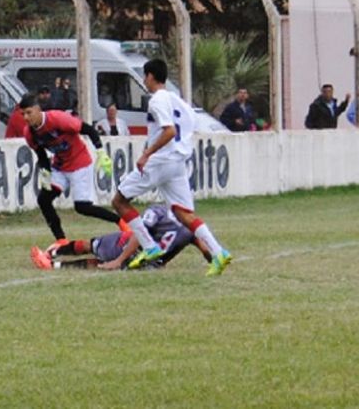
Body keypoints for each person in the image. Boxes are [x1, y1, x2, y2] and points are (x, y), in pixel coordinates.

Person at [109, 59, 232, 276]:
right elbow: (187, 126)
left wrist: (147, 154)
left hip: (161, 160)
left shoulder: (156, 101)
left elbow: (169, 131)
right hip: (178, 162)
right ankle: (218, 251)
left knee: (119, 201)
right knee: (183, 213)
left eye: (144, 77)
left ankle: (149, 246)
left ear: (149, 76)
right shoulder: (179, 102)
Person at [20, 93, 124, 254]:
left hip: (79, 163)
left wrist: (101, 152)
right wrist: (46, 177)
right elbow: (41, 156)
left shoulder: (57, 119)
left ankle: (121, 221)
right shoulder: (29, 133)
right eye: (23, 114)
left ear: (38, 110)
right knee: (44, 199)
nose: (26, 117)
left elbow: (88, 130)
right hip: (60, 167)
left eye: (28, 112)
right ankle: (61, 240)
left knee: (82, 207)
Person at [30, 204, 211, 270]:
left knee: (93, 246)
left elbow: (141, 235)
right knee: (99, 263)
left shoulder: (158, 211)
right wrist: (216, 258)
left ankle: (52, 257)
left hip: (132, 248)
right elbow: (205, 250)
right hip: (149, 265)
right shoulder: (190, 226)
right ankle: (55, 263)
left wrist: (120, 258)